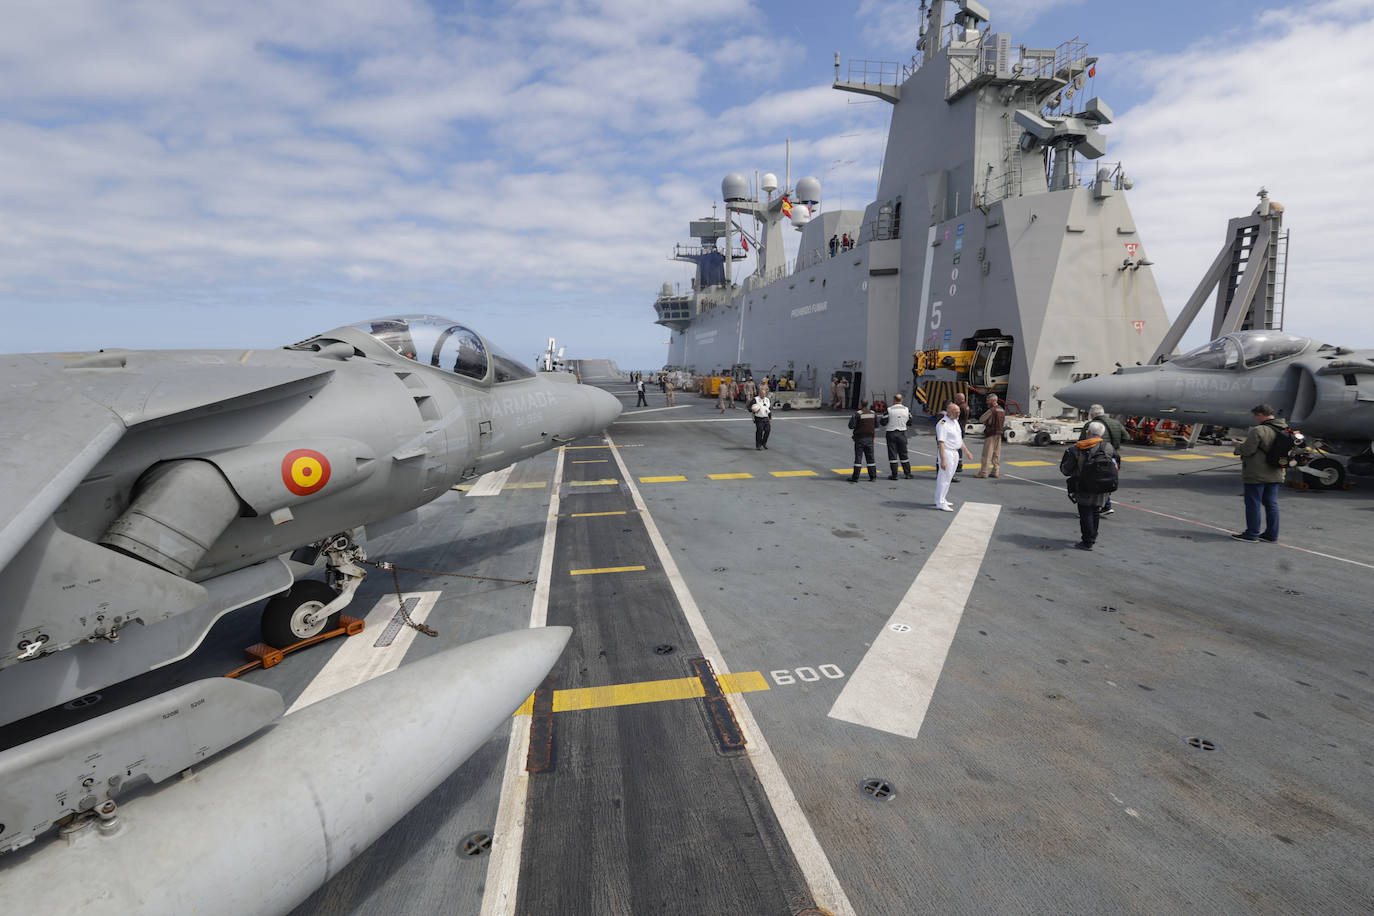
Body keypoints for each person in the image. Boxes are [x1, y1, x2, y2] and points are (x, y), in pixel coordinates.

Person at [1231, 403, 1288, 542]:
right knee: (1271, 504)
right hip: (1277, 472)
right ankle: (1271, 535)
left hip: (1257, 473)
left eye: (1255, 417)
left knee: (1253, 503)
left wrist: (1238, 447)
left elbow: (1248, 450)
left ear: (1260, 415)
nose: (1255, 419)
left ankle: (1252, 534)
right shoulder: (1286, 429)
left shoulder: (1259, 430)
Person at [1059, 420, 1119, 550]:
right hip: (1102, 486)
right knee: (1095, 511)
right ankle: (1092, 536)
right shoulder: (1107, 447)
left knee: (1085, 512)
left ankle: (1088, 541)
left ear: (1089, 433)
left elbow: (1066, 470)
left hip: (1083, 486)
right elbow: (1116, 465)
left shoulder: (1077, 448)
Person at [1078, 404, 1126, 515]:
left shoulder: (1090, 425)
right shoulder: (1116, 423)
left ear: (1092, 414)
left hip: (1093, 457)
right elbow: (1126, 436)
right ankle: (1106, 506)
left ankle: (1092, 509)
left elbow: (1081, 440)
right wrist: (1114, 445)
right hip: (1110, 455)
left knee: (1090, 481)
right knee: (1106, 479)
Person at [934, 401, 971, 511]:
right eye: (956, 412)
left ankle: (941, 498)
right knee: (944, 478)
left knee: (948, 478)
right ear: (949, 412)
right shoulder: (943, 424)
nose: (959, 414)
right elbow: (941, 442)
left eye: (959, 412)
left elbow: (959, 440)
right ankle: (940, 502)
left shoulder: (955, 422)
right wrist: (943, 460)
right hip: (947, 452)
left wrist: (966, 451)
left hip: (955, 452)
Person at [880, 392, 913, 479]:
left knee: (892, 454)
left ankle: (894, 475)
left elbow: (883, 422)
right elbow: (910, 422)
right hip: (902, 433)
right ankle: (908, 473)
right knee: (904, 454)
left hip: (891, 433)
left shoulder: (889, 409)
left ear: (894, 400)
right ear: (901, 400)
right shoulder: (907, 410)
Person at [975, 393, 1005, 478]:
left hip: (991, 434)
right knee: (996, 454)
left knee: (987, 454)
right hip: (999, 434)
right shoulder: (1001, 410)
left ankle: (984, 472)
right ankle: (995, 471)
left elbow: (981, 419)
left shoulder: (992, 410)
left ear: (992, 400)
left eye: (988, 400)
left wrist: (986, 422)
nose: (987, 402)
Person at [848, 399, 879, 482]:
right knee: (871, 458)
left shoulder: (857, 414)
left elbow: (851, 426)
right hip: (870, 439)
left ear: (860, 405)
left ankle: (855, 477)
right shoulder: (873, 413)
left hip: (860, 439)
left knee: (858, 459)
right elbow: (876, 425)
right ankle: (873, 477)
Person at [952, 392, 971, 481]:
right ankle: (959, 464)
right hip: (963, 428)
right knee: (959, 446)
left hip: (959, 429)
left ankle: (958, 465)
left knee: (957, 447)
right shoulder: (966, 406)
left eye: (956, 398)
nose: (955, 400)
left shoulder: (960, 407)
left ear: (959, 399)